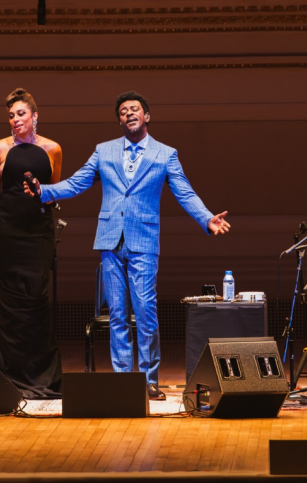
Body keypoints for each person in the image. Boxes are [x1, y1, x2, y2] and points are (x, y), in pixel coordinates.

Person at [25, 91, 230, 400]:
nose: (129, 114)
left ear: (146, 116)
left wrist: (206, 218)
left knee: (145, 310)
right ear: (119, 120)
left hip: (143, 241)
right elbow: (78, 182)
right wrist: (44, 192)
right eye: (123, 111)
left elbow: (185, 192)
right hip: (110, 239)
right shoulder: (104, 151)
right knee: (118, 313)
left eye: (135, 109)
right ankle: (124, 379)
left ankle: (149, 378)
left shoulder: (165, 154)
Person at [0, 88, 63, 398]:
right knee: (12, 305)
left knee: (37, 302)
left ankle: (43, 376)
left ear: (35, 116)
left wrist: (45, 194)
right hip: (7, 233)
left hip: (38, 233)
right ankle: (12, 377)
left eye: (21, 114)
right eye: (12, 116)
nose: (15, 120)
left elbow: (55, 192)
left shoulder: (52, 149)